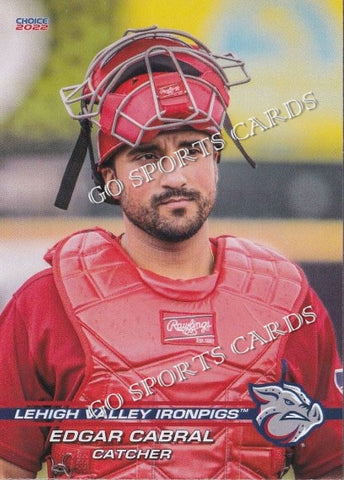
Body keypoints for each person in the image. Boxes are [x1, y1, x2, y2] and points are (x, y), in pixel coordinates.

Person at [0, 26, 341, 480]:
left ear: (216, 158)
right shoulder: (46, 304)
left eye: (191, 149)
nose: (174, 176)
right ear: (107, 176)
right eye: (146, 156)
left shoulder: (287, 301)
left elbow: (331, 467)